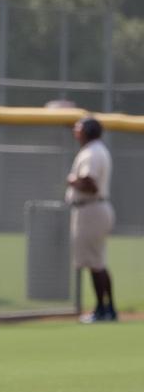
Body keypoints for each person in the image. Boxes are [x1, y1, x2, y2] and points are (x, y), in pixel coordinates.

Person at [65, 116, 116, 322]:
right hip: (95, 209)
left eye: (78, 127)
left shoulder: (92, 152)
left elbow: (90, 184)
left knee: (95, 263)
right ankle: (108, 309)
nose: (75, 130)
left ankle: (101, 310)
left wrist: (72, 181)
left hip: (91, 209)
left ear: (87, 131)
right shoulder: (96, 149)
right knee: (98, 262)